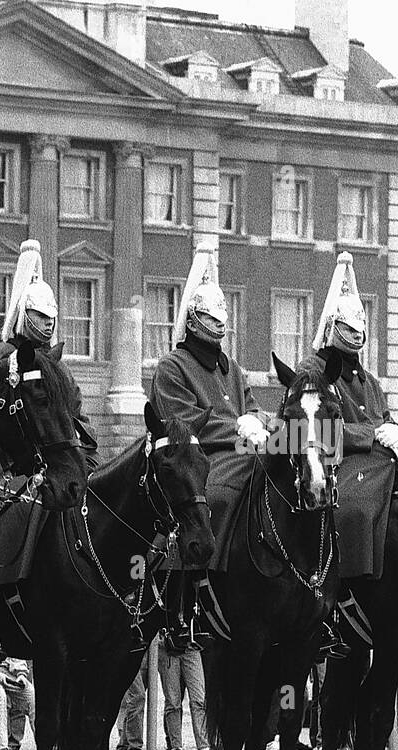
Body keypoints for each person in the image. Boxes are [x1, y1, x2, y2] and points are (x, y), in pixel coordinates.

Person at [149, 243, 268, 648]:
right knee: (209, 498)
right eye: (208, 319)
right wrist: (238, 428)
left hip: (248, 452)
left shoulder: (231, 367)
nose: (217, 327)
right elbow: (180, 424)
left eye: (220, 320)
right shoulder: (172, 366)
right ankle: (194, 594)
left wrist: (259, 424)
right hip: (196, 460)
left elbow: (253, 408)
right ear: (192, 320)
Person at [297, 251, 398, 659]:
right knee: (358, 511)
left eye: (358, 326)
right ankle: (341, 601)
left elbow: (386, 418)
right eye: (347, 327)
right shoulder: (313, 372)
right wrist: (372, 435)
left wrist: (396, 430)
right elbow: (319, 431)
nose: (355, 334)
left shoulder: (371, 380)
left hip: (381, 464)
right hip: (335, 466)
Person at [160, 632, 209, 750]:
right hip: (169, 647)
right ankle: (175, 747)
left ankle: (203, 746)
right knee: (173, 701)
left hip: (191, 646)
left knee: (198, 698)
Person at [115, 652, 148, 750]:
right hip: (126, 652)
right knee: (137, 696)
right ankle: (133, 748)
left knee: (134, 699)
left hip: (137, 653)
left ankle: (124, 747)